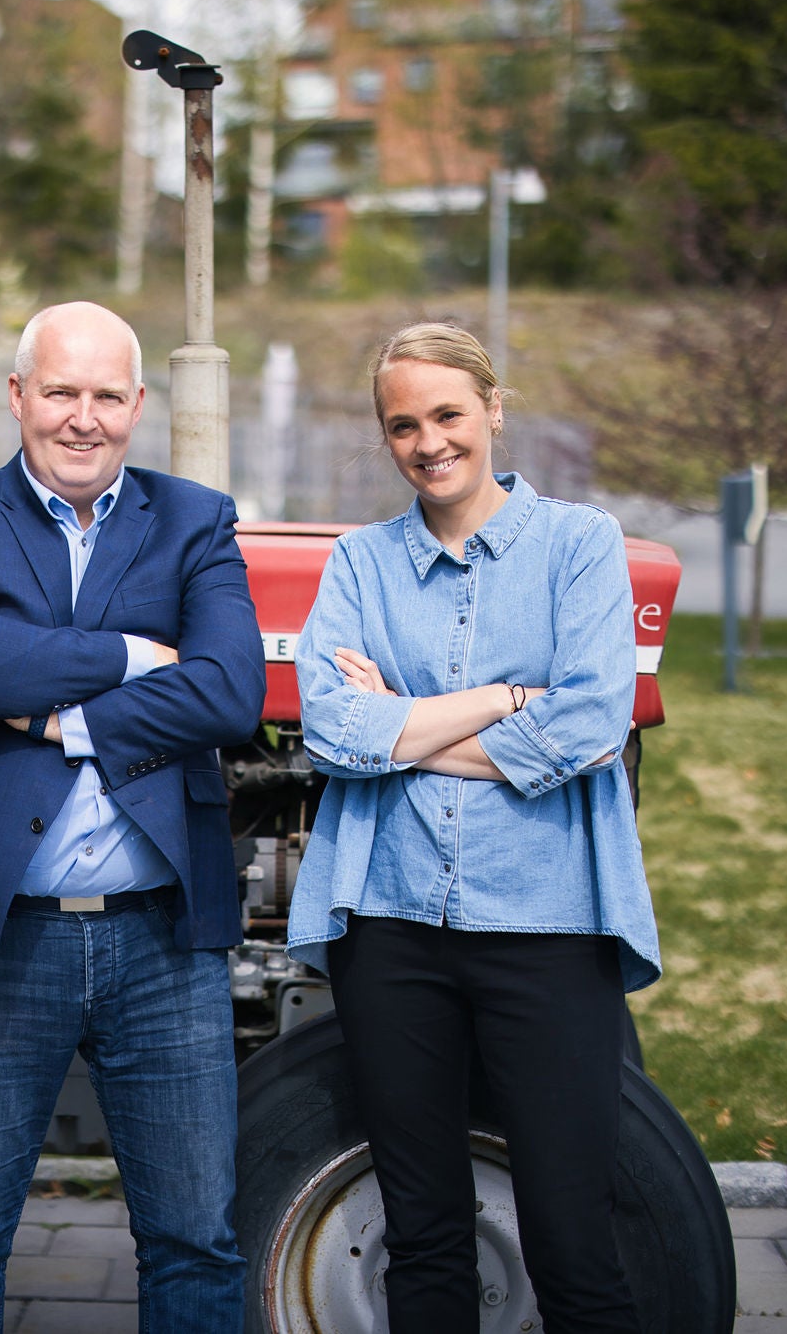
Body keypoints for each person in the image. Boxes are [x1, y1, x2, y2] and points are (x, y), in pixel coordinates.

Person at [0, 300, 263, 1333]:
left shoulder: (194, 520)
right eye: (59, 391)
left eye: (105, 395)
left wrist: (48, 710)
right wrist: (137, 656)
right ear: (17, 396)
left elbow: (230, 692)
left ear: (136, 405)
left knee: (195, 1239)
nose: (81, 418)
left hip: (159, 941)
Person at [288, 322, 661, 1333]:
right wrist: (505, 697)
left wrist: (402, 728)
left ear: (492, 410)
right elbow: (333, 731)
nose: (428, 442)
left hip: (547, 928)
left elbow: (591, 725)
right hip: (390, 930)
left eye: (447, 414)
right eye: (402, 425)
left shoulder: (579, 544)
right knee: (422, 1235)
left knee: (573, 1240)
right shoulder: (360, 563)